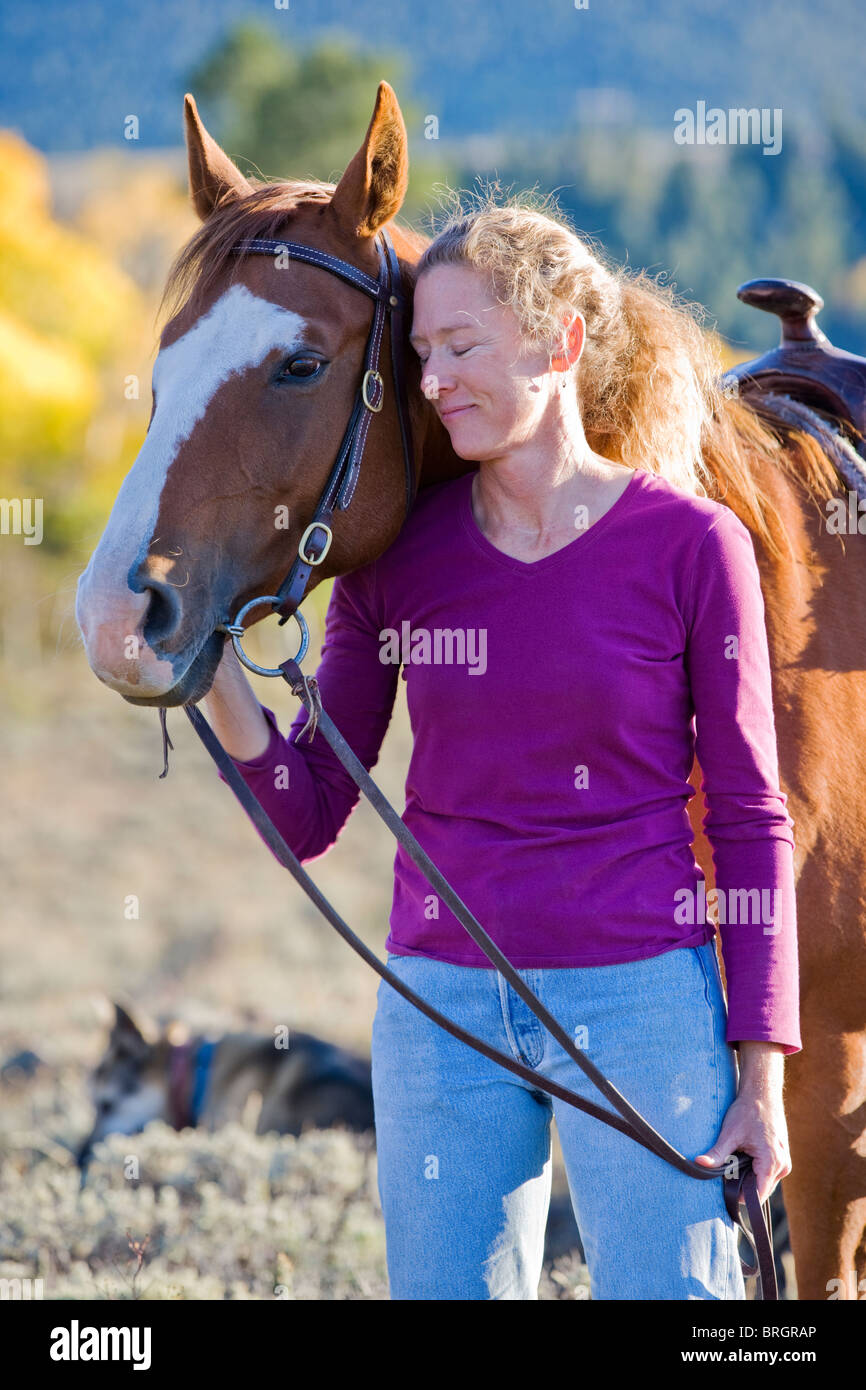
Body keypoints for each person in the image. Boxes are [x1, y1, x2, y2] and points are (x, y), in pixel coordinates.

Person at [202, 194, 800, 1300]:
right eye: (422, 351)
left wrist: (759, 1078)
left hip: (641, 1000)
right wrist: (205, 665)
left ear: (560, 341)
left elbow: (748, 815)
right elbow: (309, 804)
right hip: (438, 1007)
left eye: (462, 345)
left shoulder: (688, 547)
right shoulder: (396, 558)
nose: (433, 379)